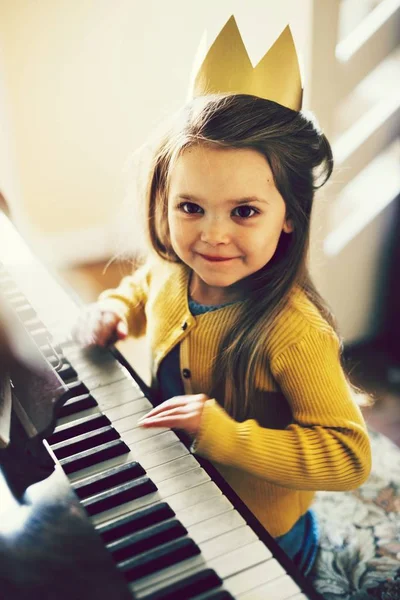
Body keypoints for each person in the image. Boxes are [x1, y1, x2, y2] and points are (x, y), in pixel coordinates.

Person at [73, 21, 371, 577]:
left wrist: (223, 435)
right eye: (190, 207)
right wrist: (116, 309)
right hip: (180, 482)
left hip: (262, 526)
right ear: (164, 199)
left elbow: (349, 457)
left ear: (289, 218)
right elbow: (143, 289)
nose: (211, 236)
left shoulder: (296, 333)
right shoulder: (173, 269)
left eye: (244, 211)